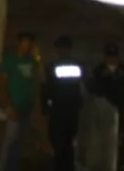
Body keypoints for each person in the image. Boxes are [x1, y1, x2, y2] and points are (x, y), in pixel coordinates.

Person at [0, 31, 40, 171]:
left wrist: (38, 57)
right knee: (9, 141)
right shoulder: (10, 59)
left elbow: (43, 77)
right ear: (19, 43)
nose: (27, 46)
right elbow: (2, 84)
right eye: (25, 42)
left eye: (30, 43)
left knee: (19, 141)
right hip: (15, 106)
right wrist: (9, 106)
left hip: (27, 106)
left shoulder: (32, 60)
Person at [41, 35, 84, 171]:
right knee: (69, 145)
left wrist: (44, 109)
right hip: (72, 112)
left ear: (57, 49)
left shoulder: (53, 66)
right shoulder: (78, 65)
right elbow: (82, 86)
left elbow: (47, 89)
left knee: (58, 146)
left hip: (58, 112)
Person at [90, 42, 124, 112]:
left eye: (114, 57)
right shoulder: (99, 70)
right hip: (104, 103)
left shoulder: (122, 69)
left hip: (119, 102)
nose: (112, 59)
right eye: (109, 57)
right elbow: (97, 85)